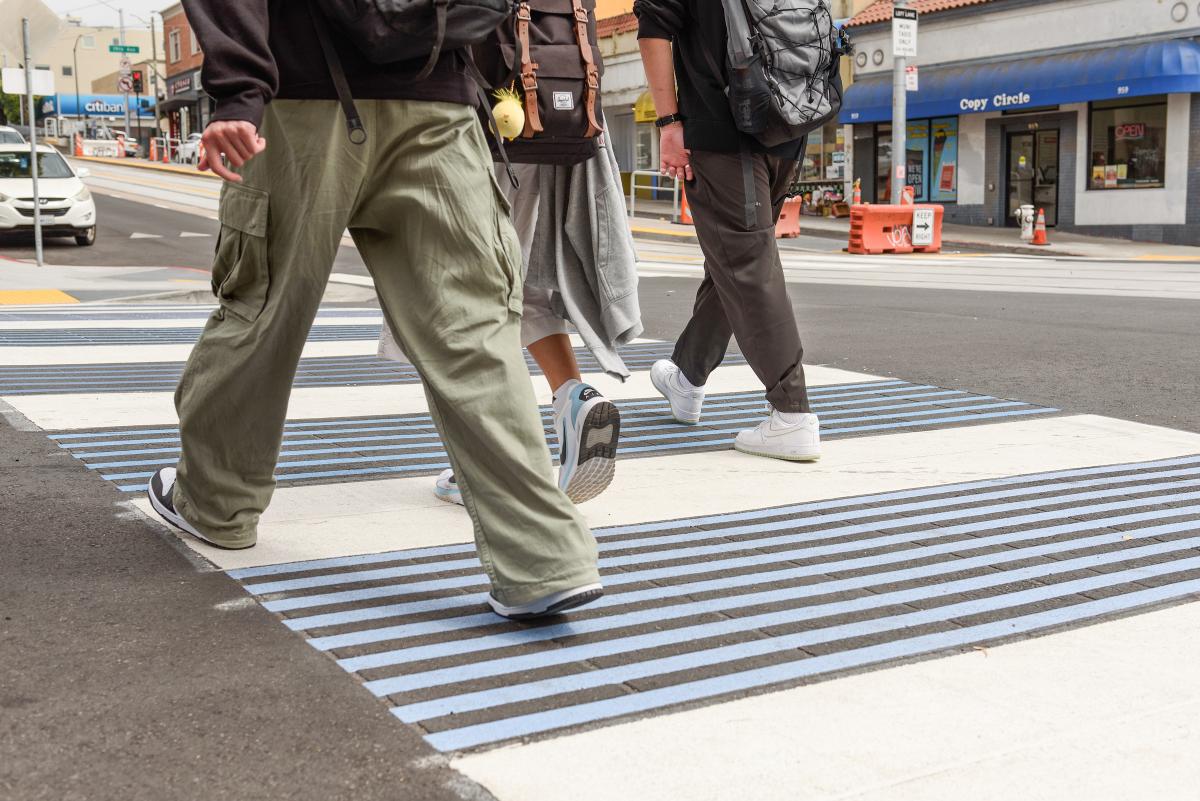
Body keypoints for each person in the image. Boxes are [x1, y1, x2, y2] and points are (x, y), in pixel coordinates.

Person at [145, 1, 602, 621]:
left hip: (298, 104)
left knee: (263, 311)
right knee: (474, 333)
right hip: (440, 105)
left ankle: (215, 504)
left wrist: (239, 93)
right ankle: (544, 561)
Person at [382, 143, 642, 507]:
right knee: (526, 287)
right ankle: (574, 400)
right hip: (544, 139)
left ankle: (482, 464)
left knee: (462, 291)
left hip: (473, 134)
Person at [634, 0, 821, 462]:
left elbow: (654, 28)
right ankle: (687, 376)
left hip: (723, 129)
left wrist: (668, 122)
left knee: (746, 263)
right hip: (786, 123)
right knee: (735, 255)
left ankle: (792, 414)